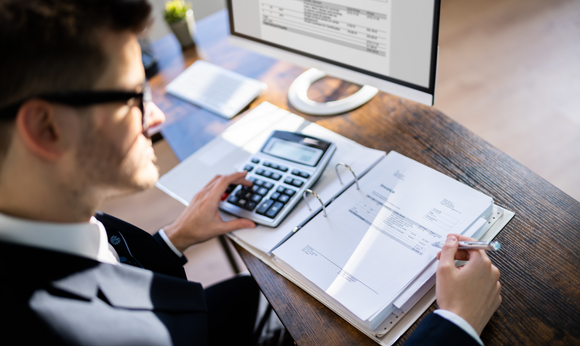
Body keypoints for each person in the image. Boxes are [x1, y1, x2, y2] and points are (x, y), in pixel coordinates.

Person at [0, 0, 501, 345]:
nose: (156, 118)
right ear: (46, 127)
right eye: (135, 97)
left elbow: (107, 263)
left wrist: (174, 239)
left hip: (198, 317)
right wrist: (456, 325)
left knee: (259, 292)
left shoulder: (44, 214)